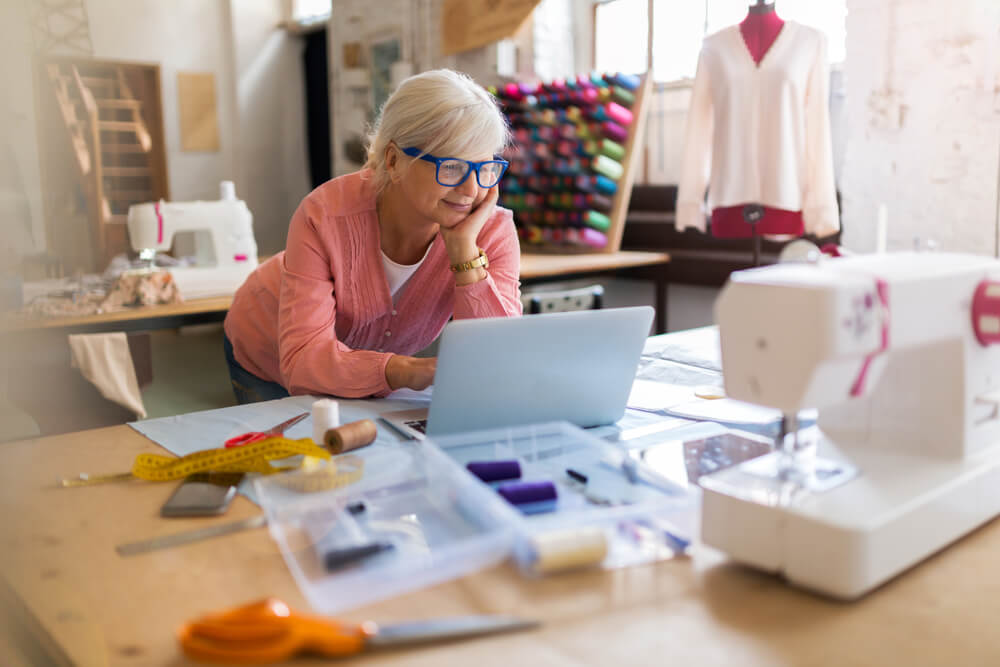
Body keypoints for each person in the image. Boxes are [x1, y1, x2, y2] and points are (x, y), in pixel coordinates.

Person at [223, 69, 522, 404]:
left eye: (484, 169)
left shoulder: (490, 230)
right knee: (290, 453)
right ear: (394, 161)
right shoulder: (324, 215)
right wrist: (405, 371)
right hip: (267, 349)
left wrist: (465, 251)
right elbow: (304, 363)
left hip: (366, 372)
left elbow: (497, 358)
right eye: (451, 167)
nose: (471, 190)